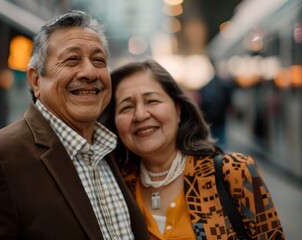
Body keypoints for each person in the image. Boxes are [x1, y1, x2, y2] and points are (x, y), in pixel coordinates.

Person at [0, 10, 149, 239]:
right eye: (72, 60)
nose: (90, 72)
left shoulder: (117, 151)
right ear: (36, 80)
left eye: (98, 60)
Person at [100, 60, 285, 239]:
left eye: (152, 101)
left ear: (178, 110)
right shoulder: (118, 187)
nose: (140, 114)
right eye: (126, 107)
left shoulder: (234, 172)